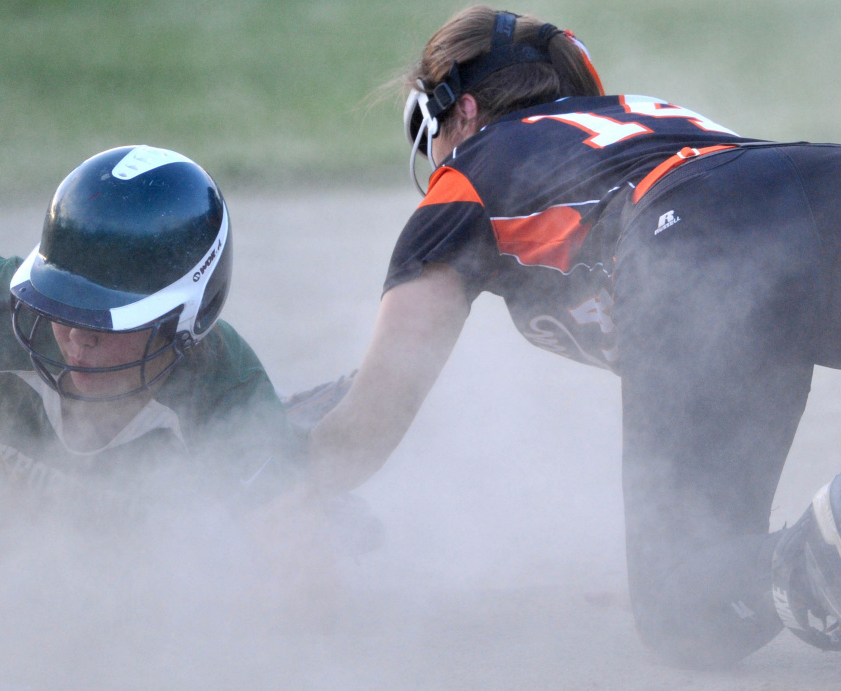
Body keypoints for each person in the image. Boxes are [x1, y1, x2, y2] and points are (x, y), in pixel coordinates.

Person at [308, 6, 841, 667]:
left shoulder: (468, 171)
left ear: (464, 112)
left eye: (433, 131)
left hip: (694, 230)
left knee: (689, 612)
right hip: (812, 181)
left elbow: (369, 419)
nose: (438, 151)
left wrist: (268, 486)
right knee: (715, 566)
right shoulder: (649, 115)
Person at [0, 144, 306, 554]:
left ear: (190, 317)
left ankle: (301, 417)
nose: (76, 335)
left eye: (108, 317)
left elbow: (301, 572)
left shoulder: (226, 391)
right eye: (62, 304)